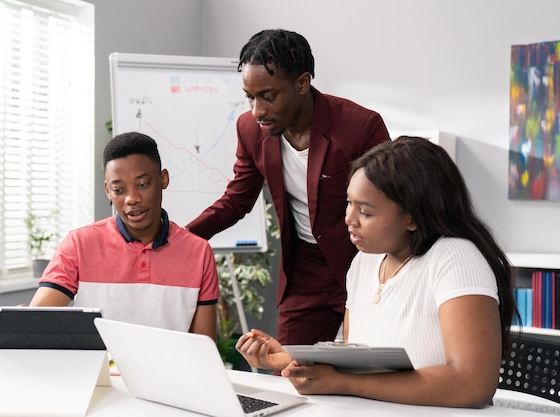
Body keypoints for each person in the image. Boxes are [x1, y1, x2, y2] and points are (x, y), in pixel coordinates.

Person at [235, 136, 519, 408]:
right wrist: (286, 357)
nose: (349, 219)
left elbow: (472, 385)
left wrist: (342, 382)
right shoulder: (365, 262)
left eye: (366, 212)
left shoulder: (455, 257)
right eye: (349, 203)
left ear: (412, 217)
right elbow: (356, 358)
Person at [185, 29, 391, 345]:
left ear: (302, 83)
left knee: (367, 371)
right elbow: (237, 200)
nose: (257, 111)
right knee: (292, 372)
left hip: (365, 259)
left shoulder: (360, 127)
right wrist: (181, 238)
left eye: (268, 96)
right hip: (305, 269)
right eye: (250, 97)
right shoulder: (249, 129)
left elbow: (390, 203)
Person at [29, 132, 219, 340]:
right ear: (108, 191)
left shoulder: (199, 252)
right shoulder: (79, 244)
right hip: (98, 372)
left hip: (167, 372)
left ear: (163, 179)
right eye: (119, 190)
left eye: (143, 185)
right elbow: (37, 323)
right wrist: (28, 318)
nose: (132, 199)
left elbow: (203, 346)